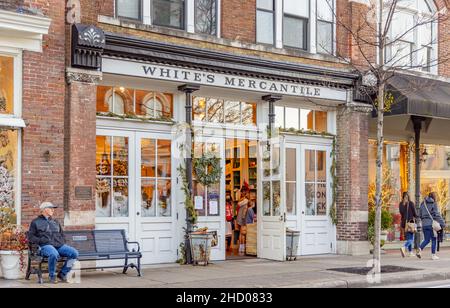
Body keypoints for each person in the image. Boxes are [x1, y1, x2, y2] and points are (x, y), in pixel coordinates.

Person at [28, 202, 79, 283]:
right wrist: (41, 241)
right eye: (51, 208)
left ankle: (62, 274)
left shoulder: (55, 221)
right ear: (44, 210)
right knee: (53, 253)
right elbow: (30, 237)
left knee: (74, 253)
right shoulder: (35, 222)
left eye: (53, 208)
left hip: (58, 245)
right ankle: (52, 276)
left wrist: (61, 242)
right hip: (45, 246)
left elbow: (62, 234)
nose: (53, 210)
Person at [417, 192, 445, 260]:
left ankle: (419, 249)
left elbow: (419, 215)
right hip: (431, 224)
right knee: (434, 239)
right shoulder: (433, 203)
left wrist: (424, 220)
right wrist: (442, 223)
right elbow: (436, 214)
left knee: (426, 239)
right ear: (434, 197)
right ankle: (433, 255)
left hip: (424, 224)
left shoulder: (422, 204)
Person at [399, 192, 417, 257]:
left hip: (404, 223)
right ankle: (404, 247)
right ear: (408, 196)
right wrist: (417, 217)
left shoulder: (401, 204)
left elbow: (401, 213)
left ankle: (410, 252)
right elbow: (415, 213)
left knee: (409, 237)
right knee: (411, 239)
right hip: (410, 223)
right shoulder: (411, 203)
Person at [236, 188, 249, 255]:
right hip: (243, 218)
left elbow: (238, 206)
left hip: (239, 217)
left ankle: (240, 248)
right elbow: (244, 211)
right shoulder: (246, 200)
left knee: (240, 233)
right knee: (243, 233)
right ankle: (242, 248)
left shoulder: (240, 200)